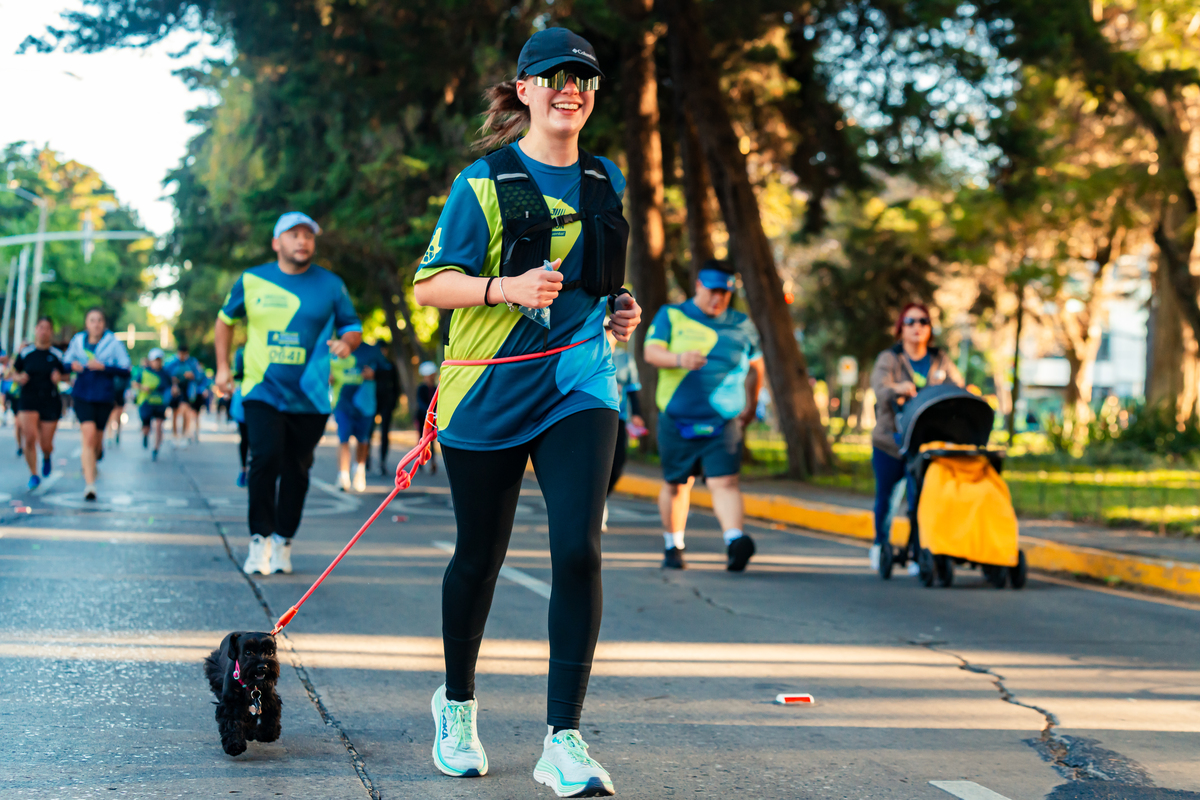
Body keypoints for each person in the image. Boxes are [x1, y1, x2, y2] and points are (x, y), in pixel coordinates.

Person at [411, 27, 641, 798]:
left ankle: (563, 739)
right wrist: (503, 289)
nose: (569, 87)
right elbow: (429, 285)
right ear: (524, 90)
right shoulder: (485, 181)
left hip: (581, 384)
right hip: (487, 389)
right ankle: (458, 705)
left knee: (579, 550)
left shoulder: (604, 180)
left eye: (583, 77)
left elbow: (600, 284)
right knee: (480, 556)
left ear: (594, 94)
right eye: (553, 77)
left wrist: (621, 312)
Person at [213, 211, 362, 576]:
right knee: (264, 459)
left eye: (308, 235)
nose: (302, 241)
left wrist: (346, 343)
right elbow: (224, 320)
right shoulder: (251, 280)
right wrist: (221, 368)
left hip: (310, 395)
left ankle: (283, 540)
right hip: (261, 389)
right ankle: (259, 540)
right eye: (293, 234)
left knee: (298, 468)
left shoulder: (331, 285)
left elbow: (353, 327)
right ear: (277, 242)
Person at [642, 259, 765, 572]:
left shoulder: (742, 324)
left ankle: (735, 541)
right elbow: (650, 352)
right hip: (676, 418)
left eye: (725, 293)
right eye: (713, 291)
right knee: (676, 485)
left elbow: (756, 367)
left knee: (725, 483)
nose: (718, 299)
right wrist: (679, 358)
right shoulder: (672, 315)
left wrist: (750, 406)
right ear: (698, 285)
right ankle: (674, 546)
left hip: (723, 421)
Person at [868, 302, 963, 571]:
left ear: (929, 328)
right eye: (910, 322)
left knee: (921, 498)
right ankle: (880, 544)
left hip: (924, 443)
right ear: (901, 328)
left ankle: (918, 550)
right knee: (887, 499)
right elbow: (880, 387)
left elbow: (957, 386)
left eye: (923, 321)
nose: (917, 327)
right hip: (891, 440)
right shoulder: (890, 358)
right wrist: (899, 388)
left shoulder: (940, 359)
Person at [64, 307, 131, 501]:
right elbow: (65, 363)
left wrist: (104, 367)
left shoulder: (113, 343)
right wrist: (72, 366)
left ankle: (96, 457)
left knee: (97, 442)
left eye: (100, 320)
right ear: (87, 323)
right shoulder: (77, 341)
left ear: (104, 324)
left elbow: (126, 368)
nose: (96, 324)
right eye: (92, 320)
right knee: (88, 436)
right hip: (82, 395)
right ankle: (90, 485)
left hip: (104, 396)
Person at [12, 317, 65, 490]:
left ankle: (47, 455)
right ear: (36, 330)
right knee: (29, 438)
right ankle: (33, 474)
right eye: (41, 327)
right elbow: (11, 372)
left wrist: (60, 378)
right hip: (28, 398)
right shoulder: (26, 352)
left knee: (45, 443)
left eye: (47, 328)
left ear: (51, 332)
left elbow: (68, 375)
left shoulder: (57, 355)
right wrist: (19, 378)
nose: (43, 331)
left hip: (50, 400)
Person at [331, 338, 384, 492]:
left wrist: (374, 375)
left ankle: (359, 472)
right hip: (342, 402)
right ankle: (343, 476)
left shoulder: (371, 351)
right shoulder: (335, 351)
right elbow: (321, 370)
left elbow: (387, 372)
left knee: (363, 440)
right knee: (343, 438)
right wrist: (327, 377)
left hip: (365, 402)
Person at [602, 336, 643, 531]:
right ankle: (594, 504)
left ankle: (602, 498)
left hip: (619, 416)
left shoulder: (625, 359)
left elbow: (633, 389)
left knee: (617, 463)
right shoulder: (590, 351)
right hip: (592, 415)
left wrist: (638, 415)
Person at [133, 348, 173, 462]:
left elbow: (171, 386)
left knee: (159, 425)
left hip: (160, 403)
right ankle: (145, 435)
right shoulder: (144, 372)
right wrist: (143, 387)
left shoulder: (165, 373)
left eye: (159, 360)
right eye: (155, 360)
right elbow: (135, 383)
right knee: (146, 426)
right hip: (146, 403)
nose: (157, 362)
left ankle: (156, 448)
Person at [165, 344, 203, 446]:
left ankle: (184, 435)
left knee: (185, 411)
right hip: (175, 390)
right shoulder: (171, 362)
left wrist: (192, 376)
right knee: (175, 413)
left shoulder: (192, 363)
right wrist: (172, 383)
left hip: (187, 391)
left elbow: (200, 376)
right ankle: (174, 435)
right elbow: (165, 375)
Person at [373, 344, 402, 476]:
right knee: (368, 432)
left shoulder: (390, 365)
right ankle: (365, 460)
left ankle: (382, 461)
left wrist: (395, 402)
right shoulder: (373, 364)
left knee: (385, 433)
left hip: (387, 402)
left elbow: (397, 385)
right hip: (373, 402)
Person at [413, 361, 438, 475]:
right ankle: (420, 461)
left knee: (431, 441)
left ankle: (432, 461)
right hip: (423, 417)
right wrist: (429, 412)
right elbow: (420, 402)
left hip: (432, 418)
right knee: (421, 440)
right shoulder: (421, 388)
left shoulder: (435, 387)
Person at [231, 346, 249, 487]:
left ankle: (247, 470)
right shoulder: (241, 352)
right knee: (245, 438)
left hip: (263, 395)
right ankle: (244, 470)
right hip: (245, 395)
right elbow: (237, 372)